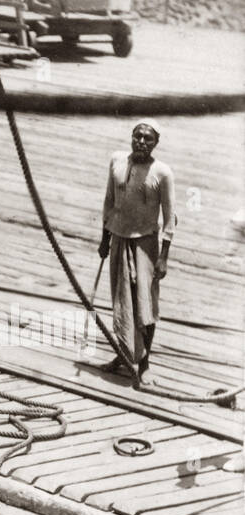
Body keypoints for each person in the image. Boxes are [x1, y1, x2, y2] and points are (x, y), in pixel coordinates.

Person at [98, 120, 175, 382]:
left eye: (148, 139)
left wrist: (163, 257)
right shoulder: (117, 161)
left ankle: (144, 365)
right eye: (138, 136)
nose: (141, 142)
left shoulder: (162, 172)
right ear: (131, 137)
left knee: (145, 303)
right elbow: (110, 201)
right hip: (118, 237)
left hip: (146, 244)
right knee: (121, 300)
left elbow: (170, 218)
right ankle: (123, 354)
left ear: (156, 143)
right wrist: (104, 239)